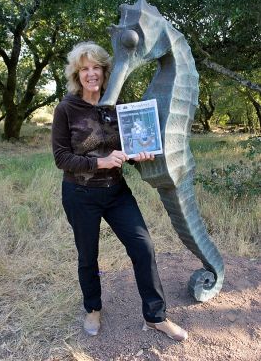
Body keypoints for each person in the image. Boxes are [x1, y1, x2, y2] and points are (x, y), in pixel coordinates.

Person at [51, 41, 188, 341]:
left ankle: (155, 316)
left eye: (96, 67)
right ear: (77, 74)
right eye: (84, 69)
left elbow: (129, 143)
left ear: (104, 71)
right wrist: (99, 162)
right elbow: (61, 158)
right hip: (80, 195)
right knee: (88, 256)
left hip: (116, 192)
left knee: (143, 247)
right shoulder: (66, 108)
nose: (91, 74)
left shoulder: (117, 105)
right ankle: (93, 308)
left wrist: (140, 151)